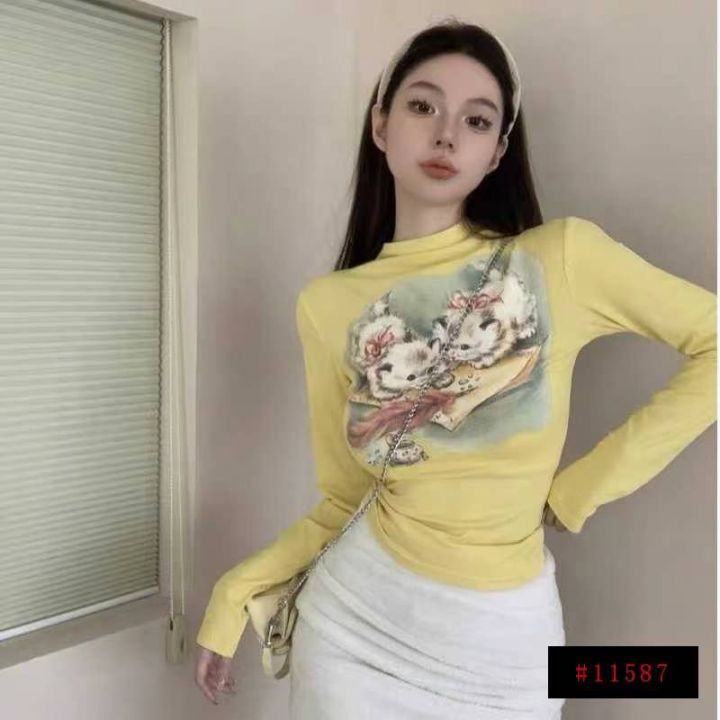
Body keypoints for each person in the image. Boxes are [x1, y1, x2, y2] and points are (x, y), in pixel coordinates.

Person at [194, 17, 717, 718]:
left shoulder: (562, 258)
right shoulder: (326, 305)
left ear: (498, 152)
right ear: (381, 125)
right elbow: (347, 501)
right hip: (355, 632)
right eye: (422, 106)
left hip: (508, 650)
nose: (446, 136)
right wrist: (233, 594)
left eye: (476, 120)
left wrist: (579, 491)